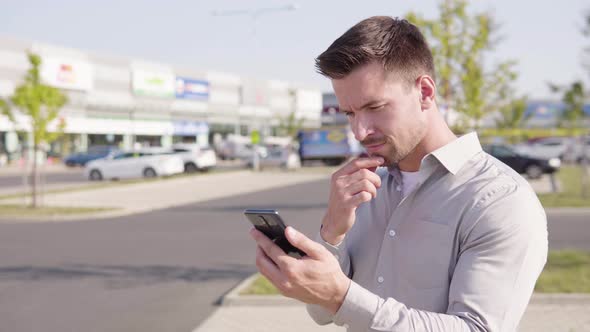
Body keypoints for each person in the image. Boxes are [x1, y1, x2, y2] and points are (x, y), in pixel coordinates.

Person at [249, 16, 547, 331]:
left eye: (375, 107)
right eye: (350, 113)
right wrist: (332, 232)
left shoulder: (500, 200)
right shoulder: (365, 189)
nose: (360, 131)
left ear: (426, 93)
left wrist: (341, 297)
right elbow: (322, 314)